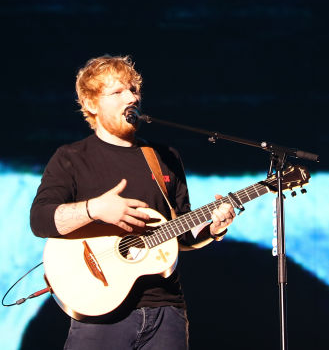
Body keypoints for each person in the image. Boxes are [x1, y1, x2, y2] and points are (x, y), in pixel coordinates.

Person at [30, 54, 236, 349]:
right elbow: (40, 220)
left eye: (134, 90)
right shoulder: (71, 158)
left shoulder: (164, 157)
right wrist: (95, 208)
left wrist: (212, 230)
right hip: (100, 314)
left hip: (166, 312)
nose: (131, 97)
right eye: (117, 92)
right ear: (91, 104)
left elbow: (179, 235)